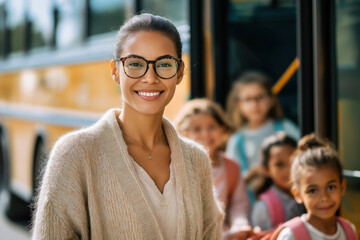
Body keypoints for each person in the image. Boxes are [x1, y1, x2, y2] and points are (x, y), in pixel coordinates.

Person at [31, 13, 222, 240]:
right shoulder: (75, 154)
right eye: (134, 64)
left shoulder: (196, 160)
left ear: (179, 72)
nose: (150, 77)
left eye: (164, 64)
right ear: (115, 71)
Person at [174, 98, 253, 240]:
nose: (206, 134)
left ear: (222, 129)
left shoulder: (231, 167)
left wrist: (240, 225)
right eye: (197, 129)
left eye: (212, 127)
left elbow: (239, 203)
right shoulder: (179, 165)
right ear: (183, 133)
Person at [274, 134, 357, 239]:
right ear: (297, 194)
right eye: (313, 190)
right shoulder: (291, 235)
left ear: (342, 187)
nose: (324, 198)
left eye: (331, 187)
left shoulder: (349, 230)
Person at [225, 71, 300, 178]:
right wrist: (254, 173)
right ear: (238, 105)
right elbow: (232, 179)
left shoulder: (285, 127)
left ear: (271, 100)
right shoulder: (236, 140)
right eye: (248, 99)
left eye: (260, 97)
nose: (254, 104)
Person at [249, 132, 303, 231]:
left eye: (292, 161)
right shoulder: (263, 207)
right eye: (279, 164)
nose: (288, 170)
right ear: (266, 169)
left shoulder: (311, 192)